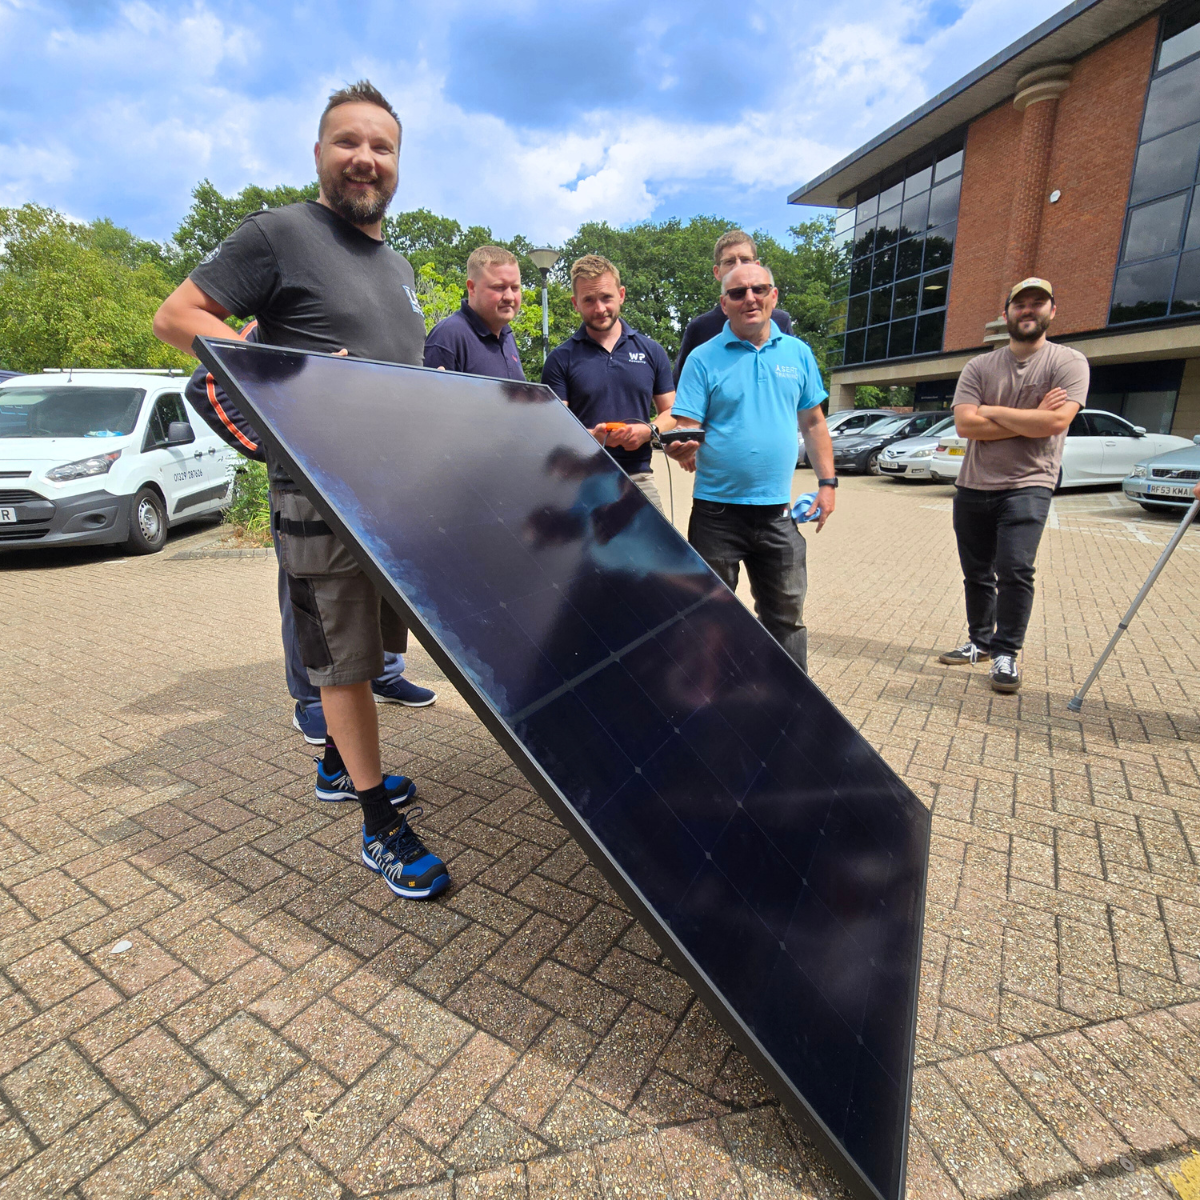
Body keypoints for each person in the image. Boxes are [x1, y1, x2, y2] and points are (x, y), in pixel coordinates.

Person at [153, 80, 449, 900]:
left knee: (371, 650)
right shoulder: (278, 233)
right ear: (319, 152)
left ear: (398, 163)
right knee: (342, 659)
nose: (365, 158)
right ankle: (378, 827)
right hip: (320, 494)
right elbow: (178, 317)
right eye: (348, 141)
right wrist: (291, 372)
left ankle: (338, 766)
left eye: (382, 146)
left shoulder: (399, 266)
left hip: (390, 494)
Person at [667, 262, 834, 672]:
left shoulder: (798, 353)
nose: (750, 299)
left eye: (759, 289)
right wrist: (680, 446)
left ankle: (789, 700)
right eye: (738, 293)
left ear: (773, 296)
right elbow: (686, 425)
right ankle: (711, 698)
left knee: (786, 619)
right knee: (708, 617)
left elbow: (814, 423)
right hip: (716, 515)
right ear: (724, 303)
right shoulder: (702, 358)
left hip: (778, 515)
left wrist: (828, 484)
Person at [938, 278, 1088, 694]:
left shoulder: (1068, 363)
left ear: (1052, 311)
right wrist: (1029, 417)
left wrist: (990, 411)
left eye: (1038, 303)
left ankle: (1006, 652)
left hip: (1029, 483)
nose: (1028, 310)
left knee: (1015, 570)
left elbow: (1056, 422)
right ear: (1006, 313)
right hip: (973, 485)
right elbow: (965, 425)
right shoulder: (979, 366)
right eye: (1020, 304)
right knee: (976, 572)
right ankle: (980, 642)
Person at [541, 254, 676, 512]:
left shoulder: (652, 351)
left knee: (659, 540)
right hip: (579, 482)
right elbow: (554, 426)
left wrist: (648, 431)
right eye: (589, 300)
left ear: (621, 295)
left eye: (606, 297)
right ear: (575, 303)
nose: (600, 308)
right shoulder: (560, 359)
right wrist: (592, 438)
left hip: (638, 479)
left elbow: (671, 411)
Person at [673, 230, 795, 384]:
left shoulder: (780, 322)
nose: (738, 266)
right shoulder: (700, 328)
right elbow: (680, 388)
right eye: (730, 262)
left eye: (745, 260)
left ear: (757, 266)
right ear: (717, 272)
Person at [423, 246, 525, 379]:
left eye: (515, 288)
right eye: (499, 287)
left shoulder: (507, 337)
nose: (509, 297)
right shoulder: (448, 337)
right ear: (472, 288)